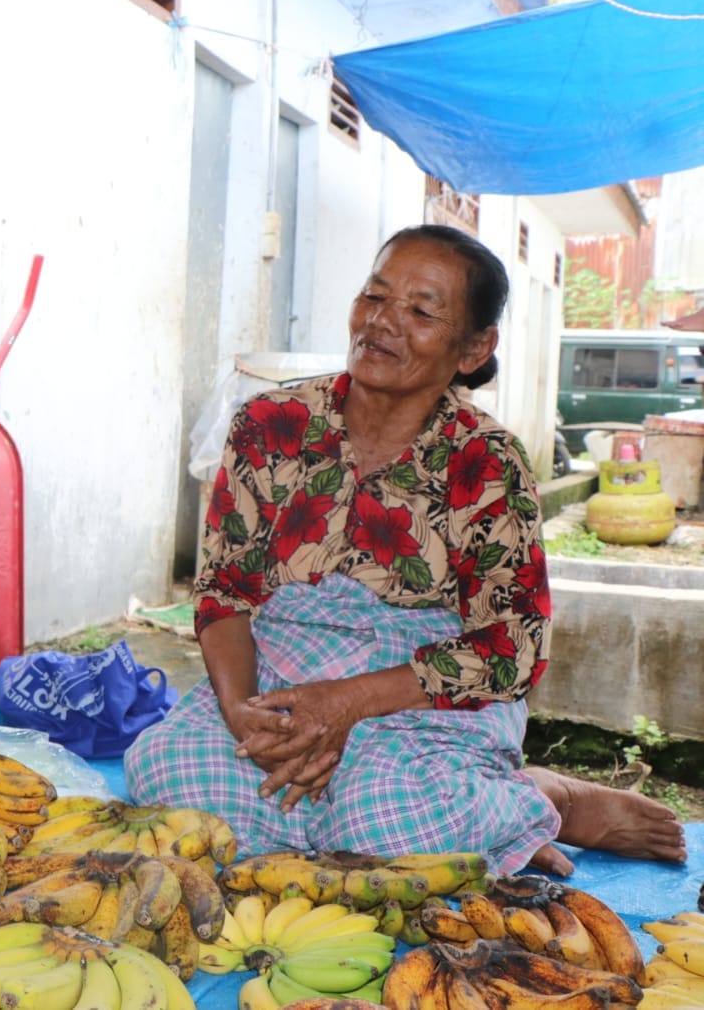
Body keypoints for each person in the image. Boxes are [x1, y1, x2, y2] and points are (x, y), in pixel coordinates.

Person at [125, 224, 687, 878]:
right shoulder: (268, 424)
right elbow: (224, 592)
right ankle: (455, 805)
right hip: (284, 663)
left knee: (384, 826)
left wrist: (344, 705)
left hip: (415, 687)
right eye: (373, 296)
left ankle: (546, 794)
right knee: (172, 785)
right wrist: (245, 715)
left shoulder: (486, 460)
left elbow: (508, 649)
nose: (382, 323)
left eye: (420, 311)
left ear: (474, 348)